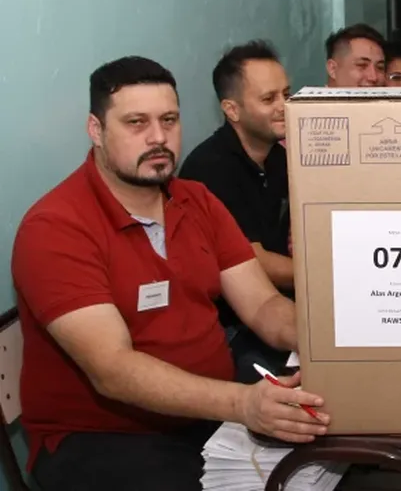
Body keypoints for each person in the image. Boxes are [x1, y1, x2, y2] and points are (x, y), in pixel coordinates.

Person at [12, 57, 329, 491]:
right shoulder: (55, 227)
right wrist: (243, 403)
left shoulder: (196, 200)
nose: (158, 137)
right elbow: (113, 369)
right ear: (96, 130)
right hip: (103, 437)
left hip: (207, 414)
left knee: (340, 450)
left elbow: (263, 305)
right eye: (136, 123)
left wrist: (329, 344)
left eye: (169, 120)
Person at [179, 41, 293, 382]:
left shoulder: (279, 158)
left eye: (286, 94)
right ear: (232, 110)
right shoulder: (211, 168)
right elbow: (254, 260)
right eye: (269, 99)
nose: (284, 106)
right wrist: (330, 277)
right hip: (229, 326)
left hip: (273, 308)